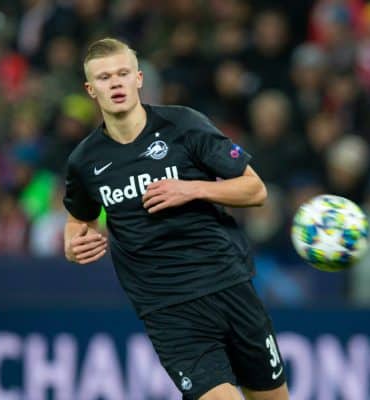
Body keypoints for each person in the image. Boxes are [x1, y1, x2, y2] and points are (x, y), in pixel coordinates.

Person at [63, 37, 289, 400]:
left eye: (123, 73)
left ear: (138, 78)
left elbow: (255, 190)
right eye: (105, 78)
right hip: (168, 309)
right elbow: (79, 219)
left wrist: (193, 189)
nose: (116, 83)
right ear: (91, 89)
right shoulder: (85, 161)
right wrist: (74, 243)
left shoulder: (183, 125)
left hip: (229, 285)